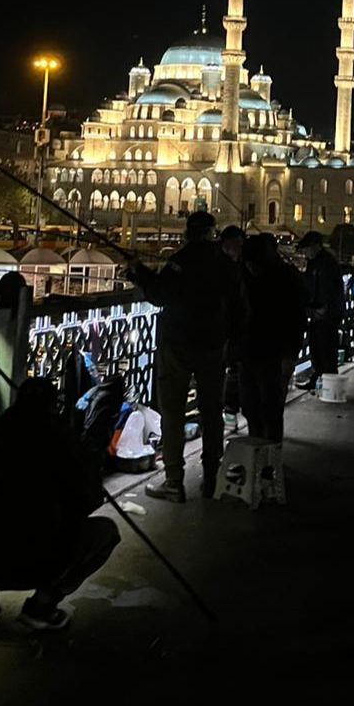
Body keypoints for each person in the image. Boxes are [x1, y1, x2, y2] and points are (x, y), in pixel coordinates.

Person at [0, 378, 120, 631]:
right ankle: (41, 606)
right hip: (38, 564)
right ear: (53, 406)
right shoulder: (62, 441)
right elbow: (88, 500)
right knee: (106, 532)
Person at [130, 211, 235, 502]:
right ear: (212, 233)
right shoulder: (224, 264)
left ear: (188, 232)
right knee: (212, 411)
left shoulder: (181, 260)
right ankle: (212, 476)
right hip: (213, 344)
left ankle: (174, 481)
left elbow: (159, 294)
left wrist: (139, 272)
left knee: (173, 412)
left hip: (178, 343)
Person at [237, 234, 307, 443]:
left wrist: (290, 355)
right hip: (248, 350)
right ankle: (257, 447)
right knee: (251, 407)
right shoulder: (245, 276)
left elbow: (296, 319)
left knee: (271, 408)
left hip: (274, 352)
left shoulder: (286, 278)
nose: (250, 267)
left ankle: (270, 452)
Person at [295, 231, 344, 391]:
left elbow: (330, 290)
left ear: (316, 246)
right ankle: (318, 380)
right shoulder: (315, 262)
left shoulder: (327, 263)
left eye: (307, 249)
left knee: (326, 349)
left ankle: (329, 385)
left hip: (327, 314)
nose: (305, 253)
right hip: (317, 312)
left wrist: (324, 308)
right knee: (316, 348)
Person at [218, 226, 245, 429]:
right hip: (230, 327)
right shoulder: (235, 268)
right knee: (232, 370)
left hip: (235, 327)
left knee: (233, 371)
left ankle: (230, 412)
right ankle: (229, 412)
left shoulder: (234, 268)